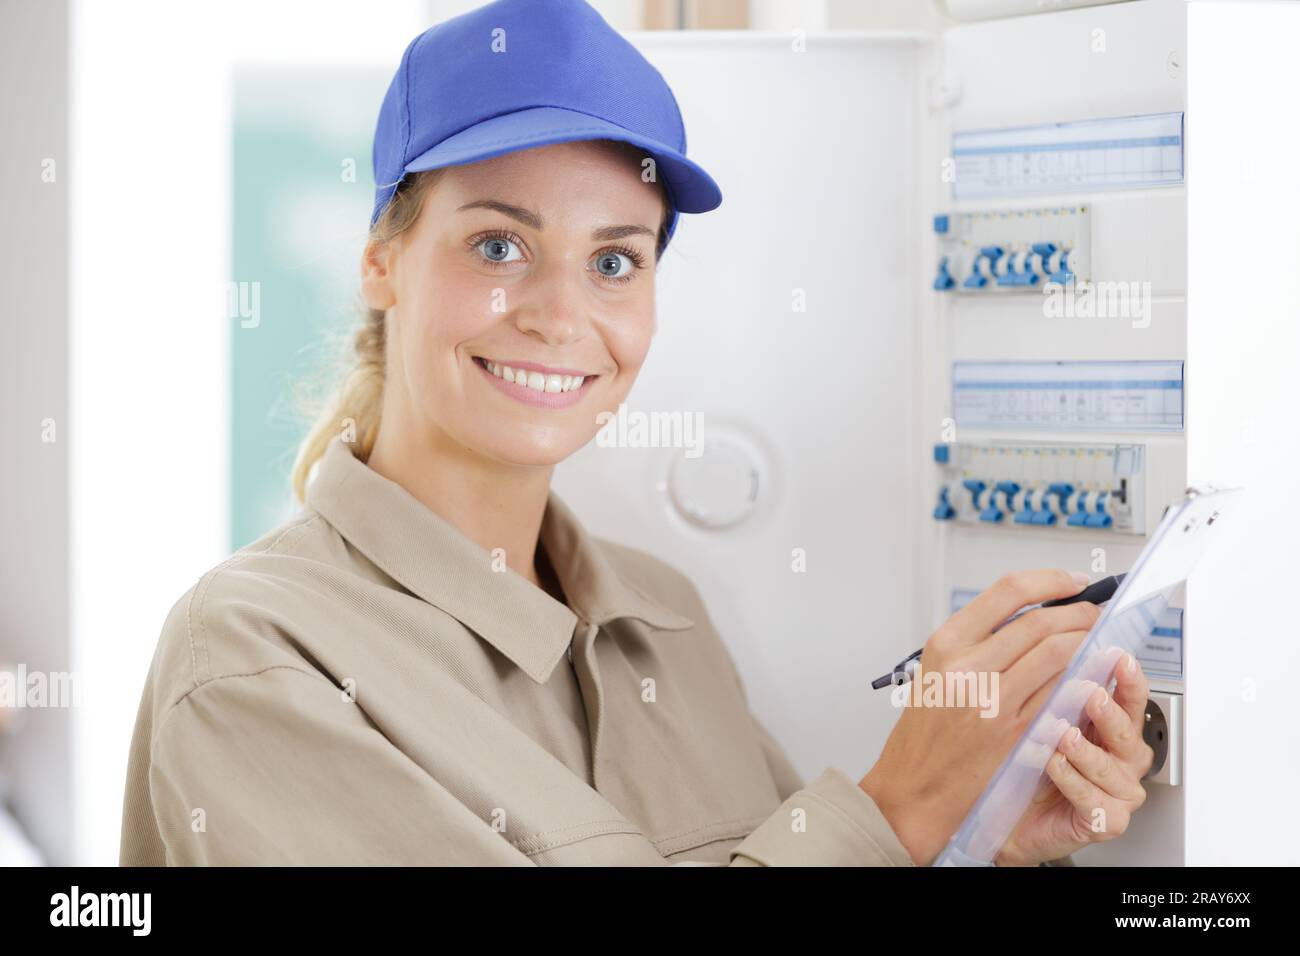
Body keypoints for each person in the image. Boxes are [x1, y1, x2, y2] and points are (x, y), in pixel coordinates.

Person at [119, 0, 1152, 866]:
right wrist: (894, 810)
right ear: (382, 259)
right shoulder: (257, 656)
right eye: (497, 243)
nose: (560, 315)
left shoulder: (667, 617)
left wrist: (977, 836)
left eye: (614, 260)